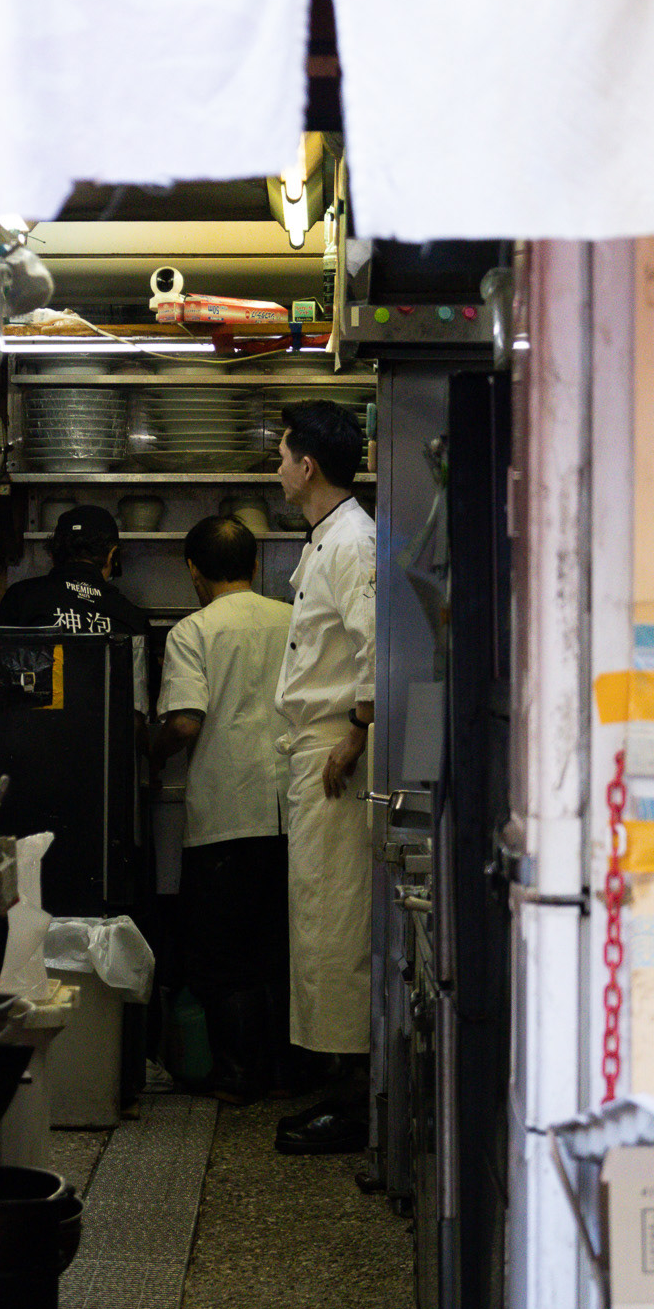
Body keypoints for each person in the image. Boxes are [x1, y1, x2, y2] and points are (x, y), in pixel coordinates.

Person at [151, 516, 292, 1102]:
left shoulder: (193, 631)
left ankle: (237, 1075)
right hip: (292, 808)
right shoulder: (292, 619)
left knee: (223, 953)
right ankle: (287, 1074)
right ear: (256, 565)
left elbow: (185, 721)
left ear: (193, 569)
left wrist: (149, 748)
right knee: (280, 947)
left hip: (225, 814)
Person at [271, 401, 376, 1156]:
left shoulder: (352, 543)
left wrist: (358, 729)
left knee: (338, 924)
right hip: (316, 749)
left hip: (338, 750)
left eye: (281, 456)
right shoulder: (327, 538)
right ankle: (341, 1084)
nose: (276, 469)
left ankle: (357, 1099)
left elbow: (375, 646)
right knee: (318, 920)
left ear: (307, 466)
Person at [0, 503, 149, 714]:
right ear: (112, 556)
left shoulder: (20, 598)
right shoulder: (132, 616)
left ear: (52, 555)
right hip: (104, 734)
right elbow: (139, 710)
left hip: (31, 731)